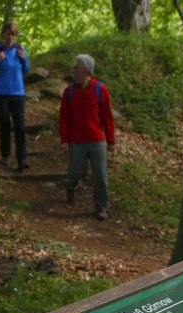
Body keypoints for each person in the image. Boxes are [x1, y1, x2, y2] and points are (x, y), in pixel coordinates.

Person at [59, 54, 115, 221]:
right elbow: (64, 118)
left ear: (85, 70)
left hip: (97, 139)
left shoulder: (100, 89)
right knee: (76, 172)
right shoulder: (69, 92)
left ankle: (101, 207)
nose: (73, 70)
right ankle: (71, 186)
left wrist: (111, 141)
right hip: (76, 141)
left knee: (100, 174)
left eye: (76, 67)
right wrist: (64, 139)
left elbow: (107, 117)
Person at [0, 22, 30, 171]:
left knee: (20, 126)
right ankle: (5, 155)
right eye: (7, 34)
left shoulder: (20, 49)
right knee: (5, 125)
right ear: (3, 35)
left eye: (13, 34)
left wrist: (23, 58)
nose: (10, 37)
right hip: (1, 95)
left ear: (15, 36)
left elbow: (26, 70)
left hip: (18, 94)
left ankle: (22, 158)